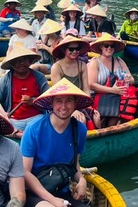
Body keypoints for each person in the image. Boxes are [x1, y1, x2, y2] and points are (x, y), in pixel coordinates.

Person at [22, 79, 91, 207]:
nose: (63, 107)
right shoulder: (34, 128)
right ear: (52, 104)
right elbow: (25, 172)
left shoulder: (80, 130)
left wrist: (81, 180)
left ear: (75, 103)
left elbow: (74, 164)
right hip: (34, 192)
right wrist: (52, 200)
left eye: (68, 101)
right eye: (59, 101)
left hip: (62, 190)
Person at [0, 47, 50, 136]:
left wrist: (33, 101)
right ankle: (19, 134)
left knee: (48, 123)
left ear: (30, 61)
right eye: (18, 61)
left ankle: (21, 135)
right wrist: (4, 114)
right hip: (14, 120)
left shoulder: (39, 78)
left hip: (36, 118)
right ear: (12, 63)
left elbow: (48, 100)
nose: (22, 63)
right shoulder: (5, 80)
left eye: (24, 60)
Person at [87, 33, 133, 127]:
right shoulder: (95, 62)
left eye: (112, 46)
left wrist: (129, 79)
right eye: (106, 45)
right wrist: (113, 90)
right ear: (101, 47)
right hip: (98, 97)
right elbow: (91, 84)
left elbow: (132, 79)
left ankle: (116, 127)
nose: (109, 48)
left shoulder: (119, 61)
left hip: (118, 96)